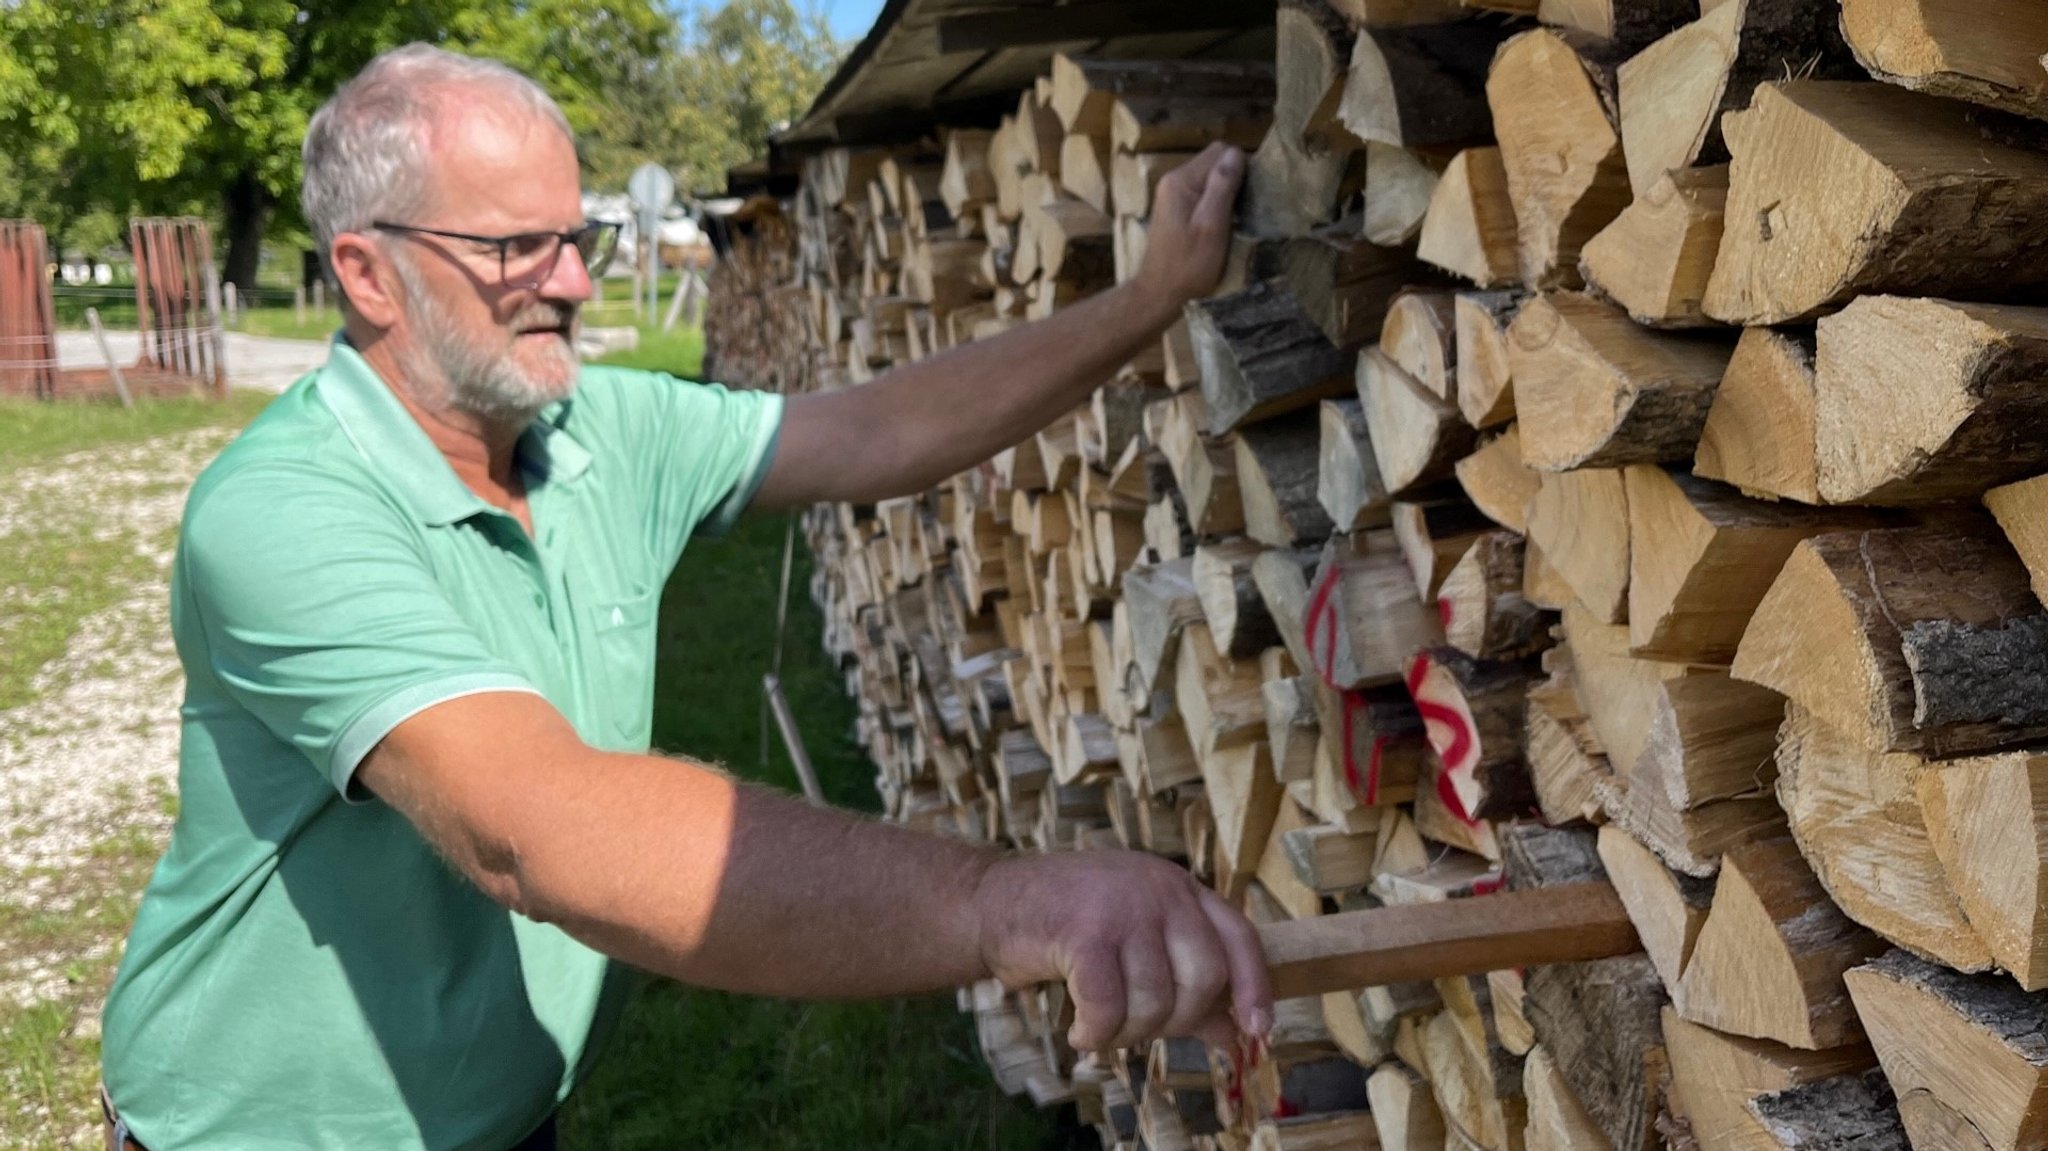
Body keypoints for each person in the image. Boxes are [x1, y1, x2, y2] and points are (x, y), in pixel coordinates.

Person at [98, 43, 1268, 1151]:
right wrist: (1003, 904)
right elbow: (538, 828)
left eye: (576, 235)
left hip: (495, 1110)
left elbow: (872, 429)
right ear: (367, 272)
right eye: (514, 247)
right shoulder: (282, 512)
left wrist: (1146, 300)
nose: (567, 281)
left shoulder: (589, 426)